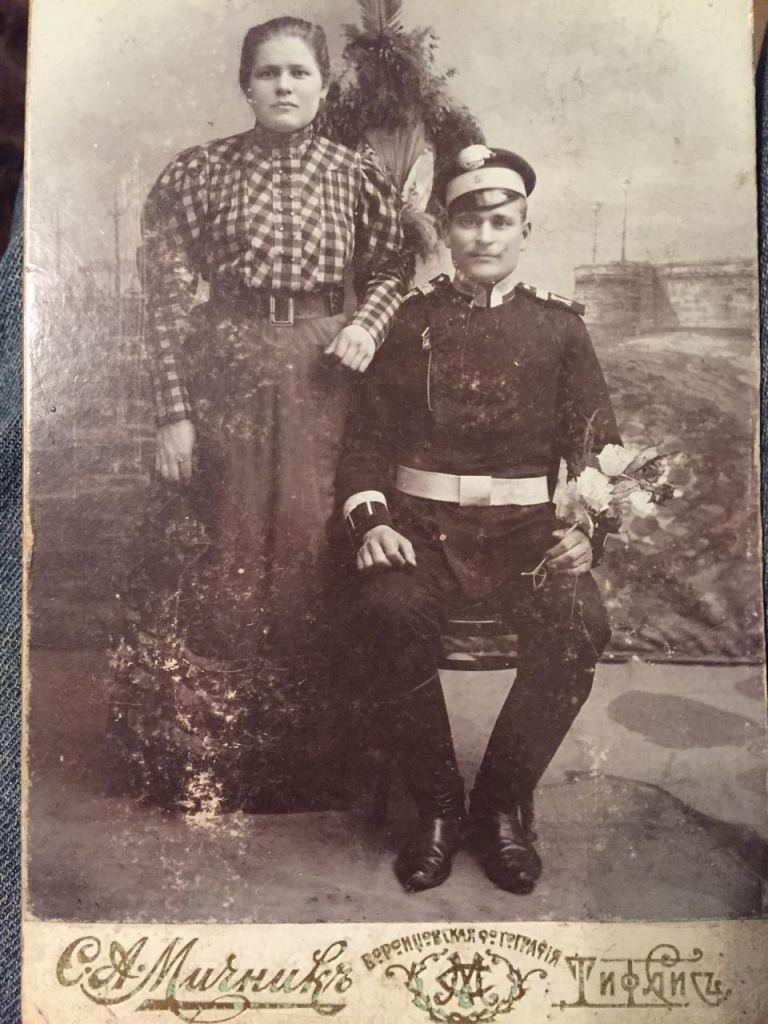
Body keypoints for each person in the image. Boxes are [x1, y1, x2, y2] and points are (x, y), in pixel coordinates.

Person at [110, 17, 405, 812]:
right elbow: (165, 301)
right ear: (246, 84)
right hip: (227, 367)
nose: (283, 85)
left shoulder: (355, 172)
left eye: (299, 72)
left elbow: (392, 267)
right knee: (230, 540)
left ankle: (316, 760)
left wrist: (366, 324)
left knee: (311, 538)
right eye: (268, 72)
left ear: (323, 84)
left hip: (322, 370)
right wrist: (174, 413)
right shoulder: (198, 172)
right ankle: (220, 756)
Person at [336, 144, 621, 893]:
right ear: (446, 231)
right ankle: (438, 807)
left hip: (527, 536)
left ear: (526, 229)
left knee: (580, 624)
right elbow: (365, 443)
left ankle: (498, 806)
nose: (485, 236)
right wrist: (373, 523)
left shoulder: (560, 328)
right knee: (385, 611)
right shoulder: (411, 322)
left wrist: (585, 532)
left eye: (501, 221)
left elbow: (599, 449)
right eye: (469, 222)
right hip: (421, 529)